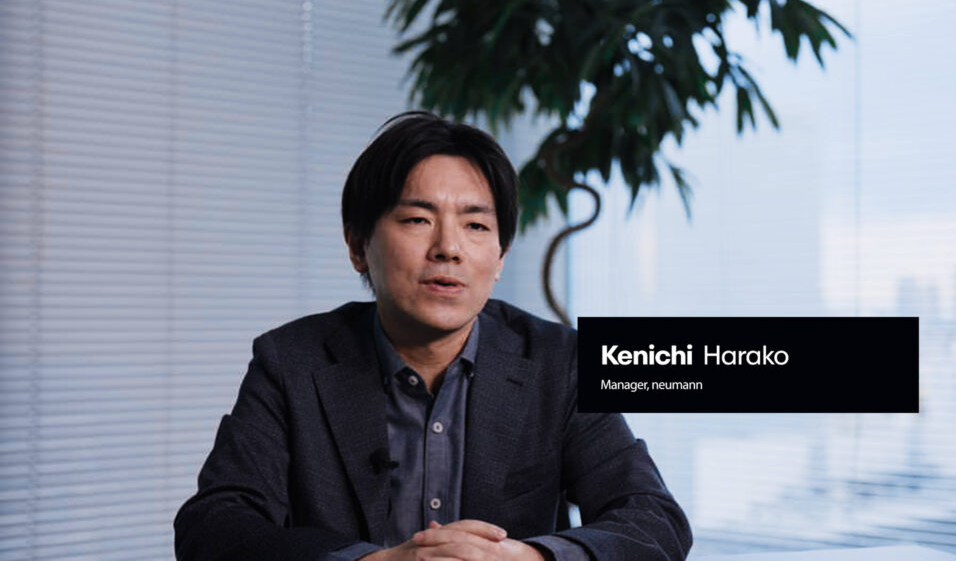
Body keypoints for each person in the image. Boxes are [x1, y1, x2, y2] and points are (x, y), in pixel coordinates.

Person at [174, 112, 692, 561]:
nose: (448, 248)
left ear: (500, 258)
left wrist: (534, 557)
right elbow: (213, 525)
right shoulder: (292, 362)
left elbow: (653, 519)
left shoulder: (562, 361)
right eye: (418, 219)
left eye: (476, 226)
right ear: (357, 246)